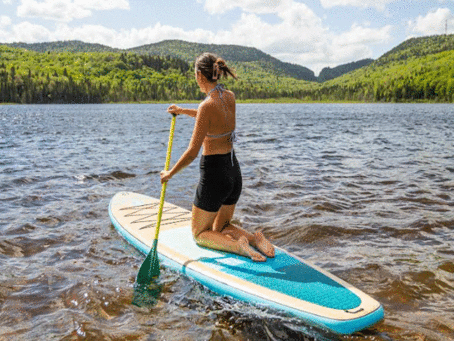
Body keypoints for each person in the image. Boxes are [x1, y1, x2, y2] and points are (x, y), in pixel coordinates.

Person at [160, 52, 275, 262]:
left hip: (214, 177)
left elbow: (192, 152)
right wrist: (183, 110)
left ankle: (238, 247)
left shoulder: (207, 106)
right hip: (233, 172)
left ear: (199, 75)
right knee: (221, 226)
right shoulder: (229, 97)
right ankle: (254, 239)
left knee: (200, 234)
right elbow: (212, 118)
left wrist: (170, 173)